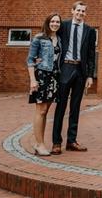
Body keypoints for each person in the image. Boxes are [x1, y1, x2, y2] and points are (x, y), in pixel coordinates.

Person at [52, 1, 96, 155]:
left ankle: (71, 141)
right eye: (78, 10)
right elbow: (52, 41)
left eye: (83, 11)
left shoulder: (90, 31)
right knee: (61, 106)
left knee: (75, 107)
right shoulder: (63, 26)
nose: (80, 13)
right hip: (65, 67)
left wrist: (90, 75)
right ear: (72, 11)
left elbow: (91, 55)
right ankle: (56, 142)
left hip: (80, 70)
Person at [27, 13, 62, 156]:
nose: (55, 24)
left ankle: (39, 143)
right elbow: (30, 60)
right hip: (41, 76)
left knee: (45, 111)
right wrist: (33, 80)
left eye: (57, 22)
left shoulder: (59, 39)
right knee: (40, 110)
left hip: (54, 77)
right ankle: (39, 144)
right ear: (47, 22)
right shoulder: (39, 38)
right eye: (52, 21)